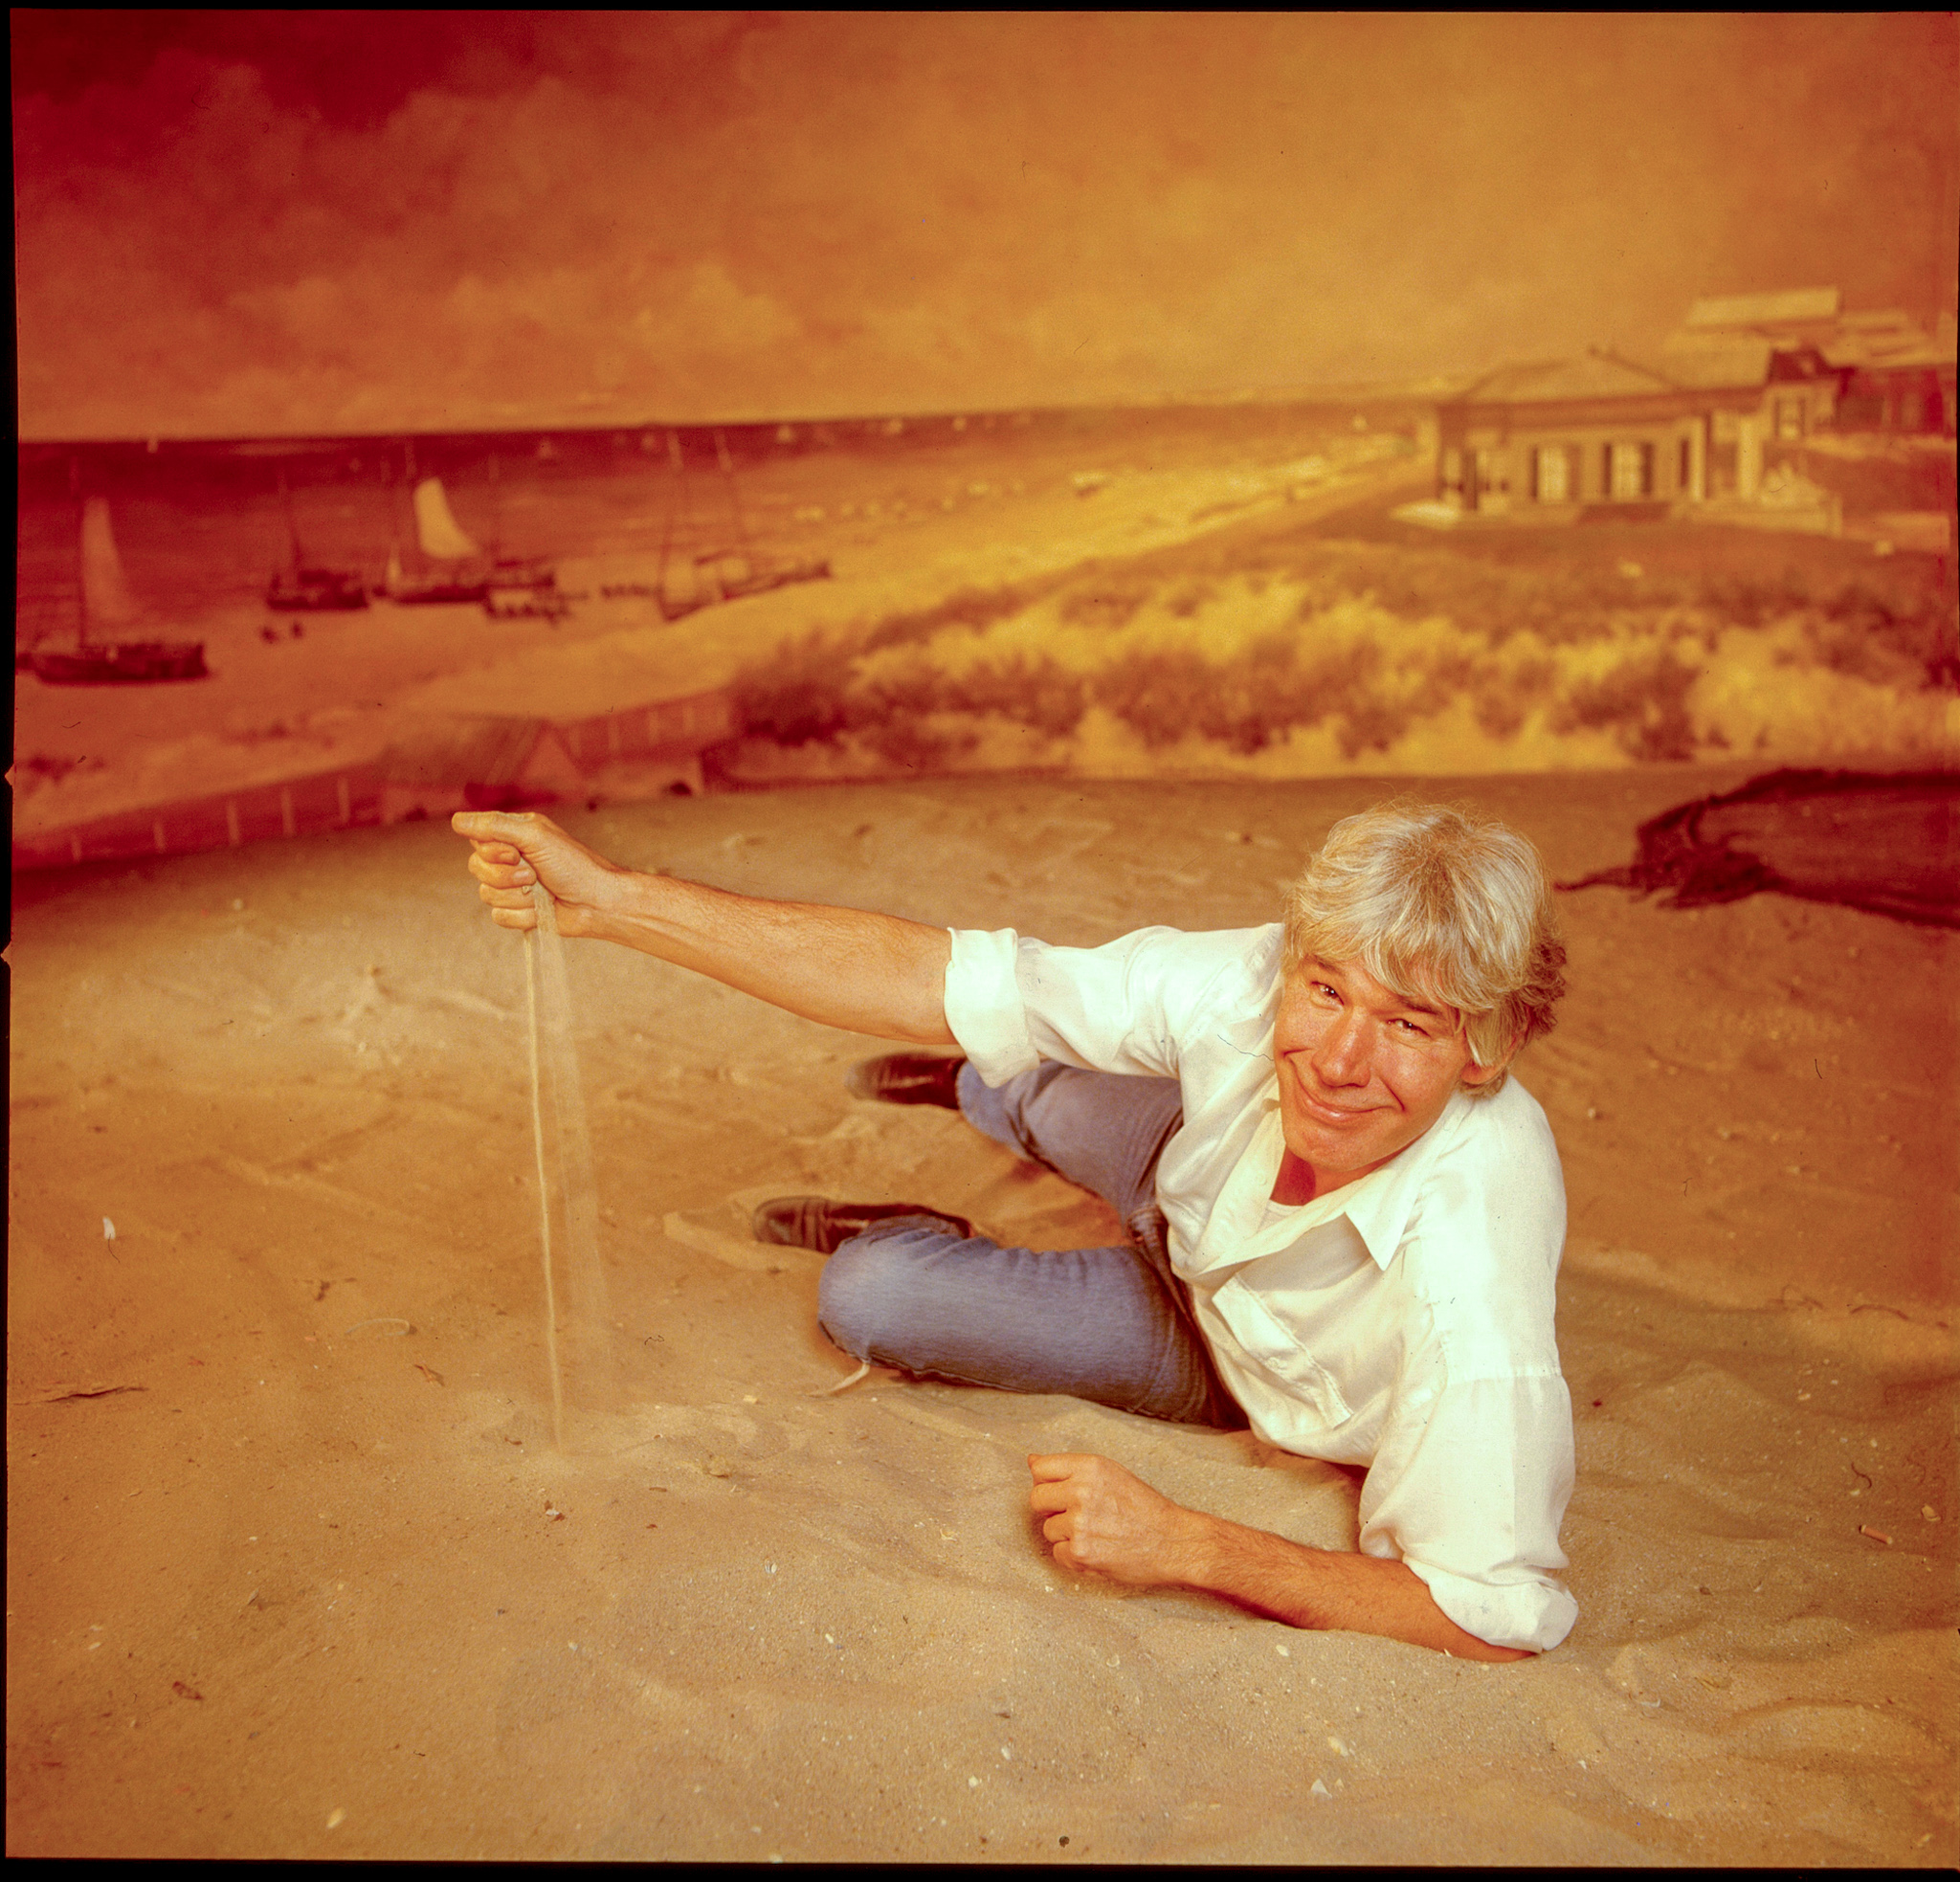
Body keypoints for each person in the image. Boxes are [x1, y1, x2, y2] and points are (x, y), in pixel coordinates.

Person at [455, 798, 1575, 1662]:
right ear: (1296, 961)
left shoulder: (1468, 1261)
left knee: (873, 1296)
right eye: (1325, 991)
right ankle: (979, 1087)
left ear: (1487, 1045)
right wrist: (609, 899)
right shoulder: (1254, 977)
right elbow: (942, 969)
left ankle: (926, 1199)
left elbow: (1484, 1613)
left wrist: (1188, 1543)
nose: (1338, 1058)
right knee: (1034, 1067)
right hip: (1186, 1181)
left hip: (1227, 1359)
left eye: (1406, 1023)